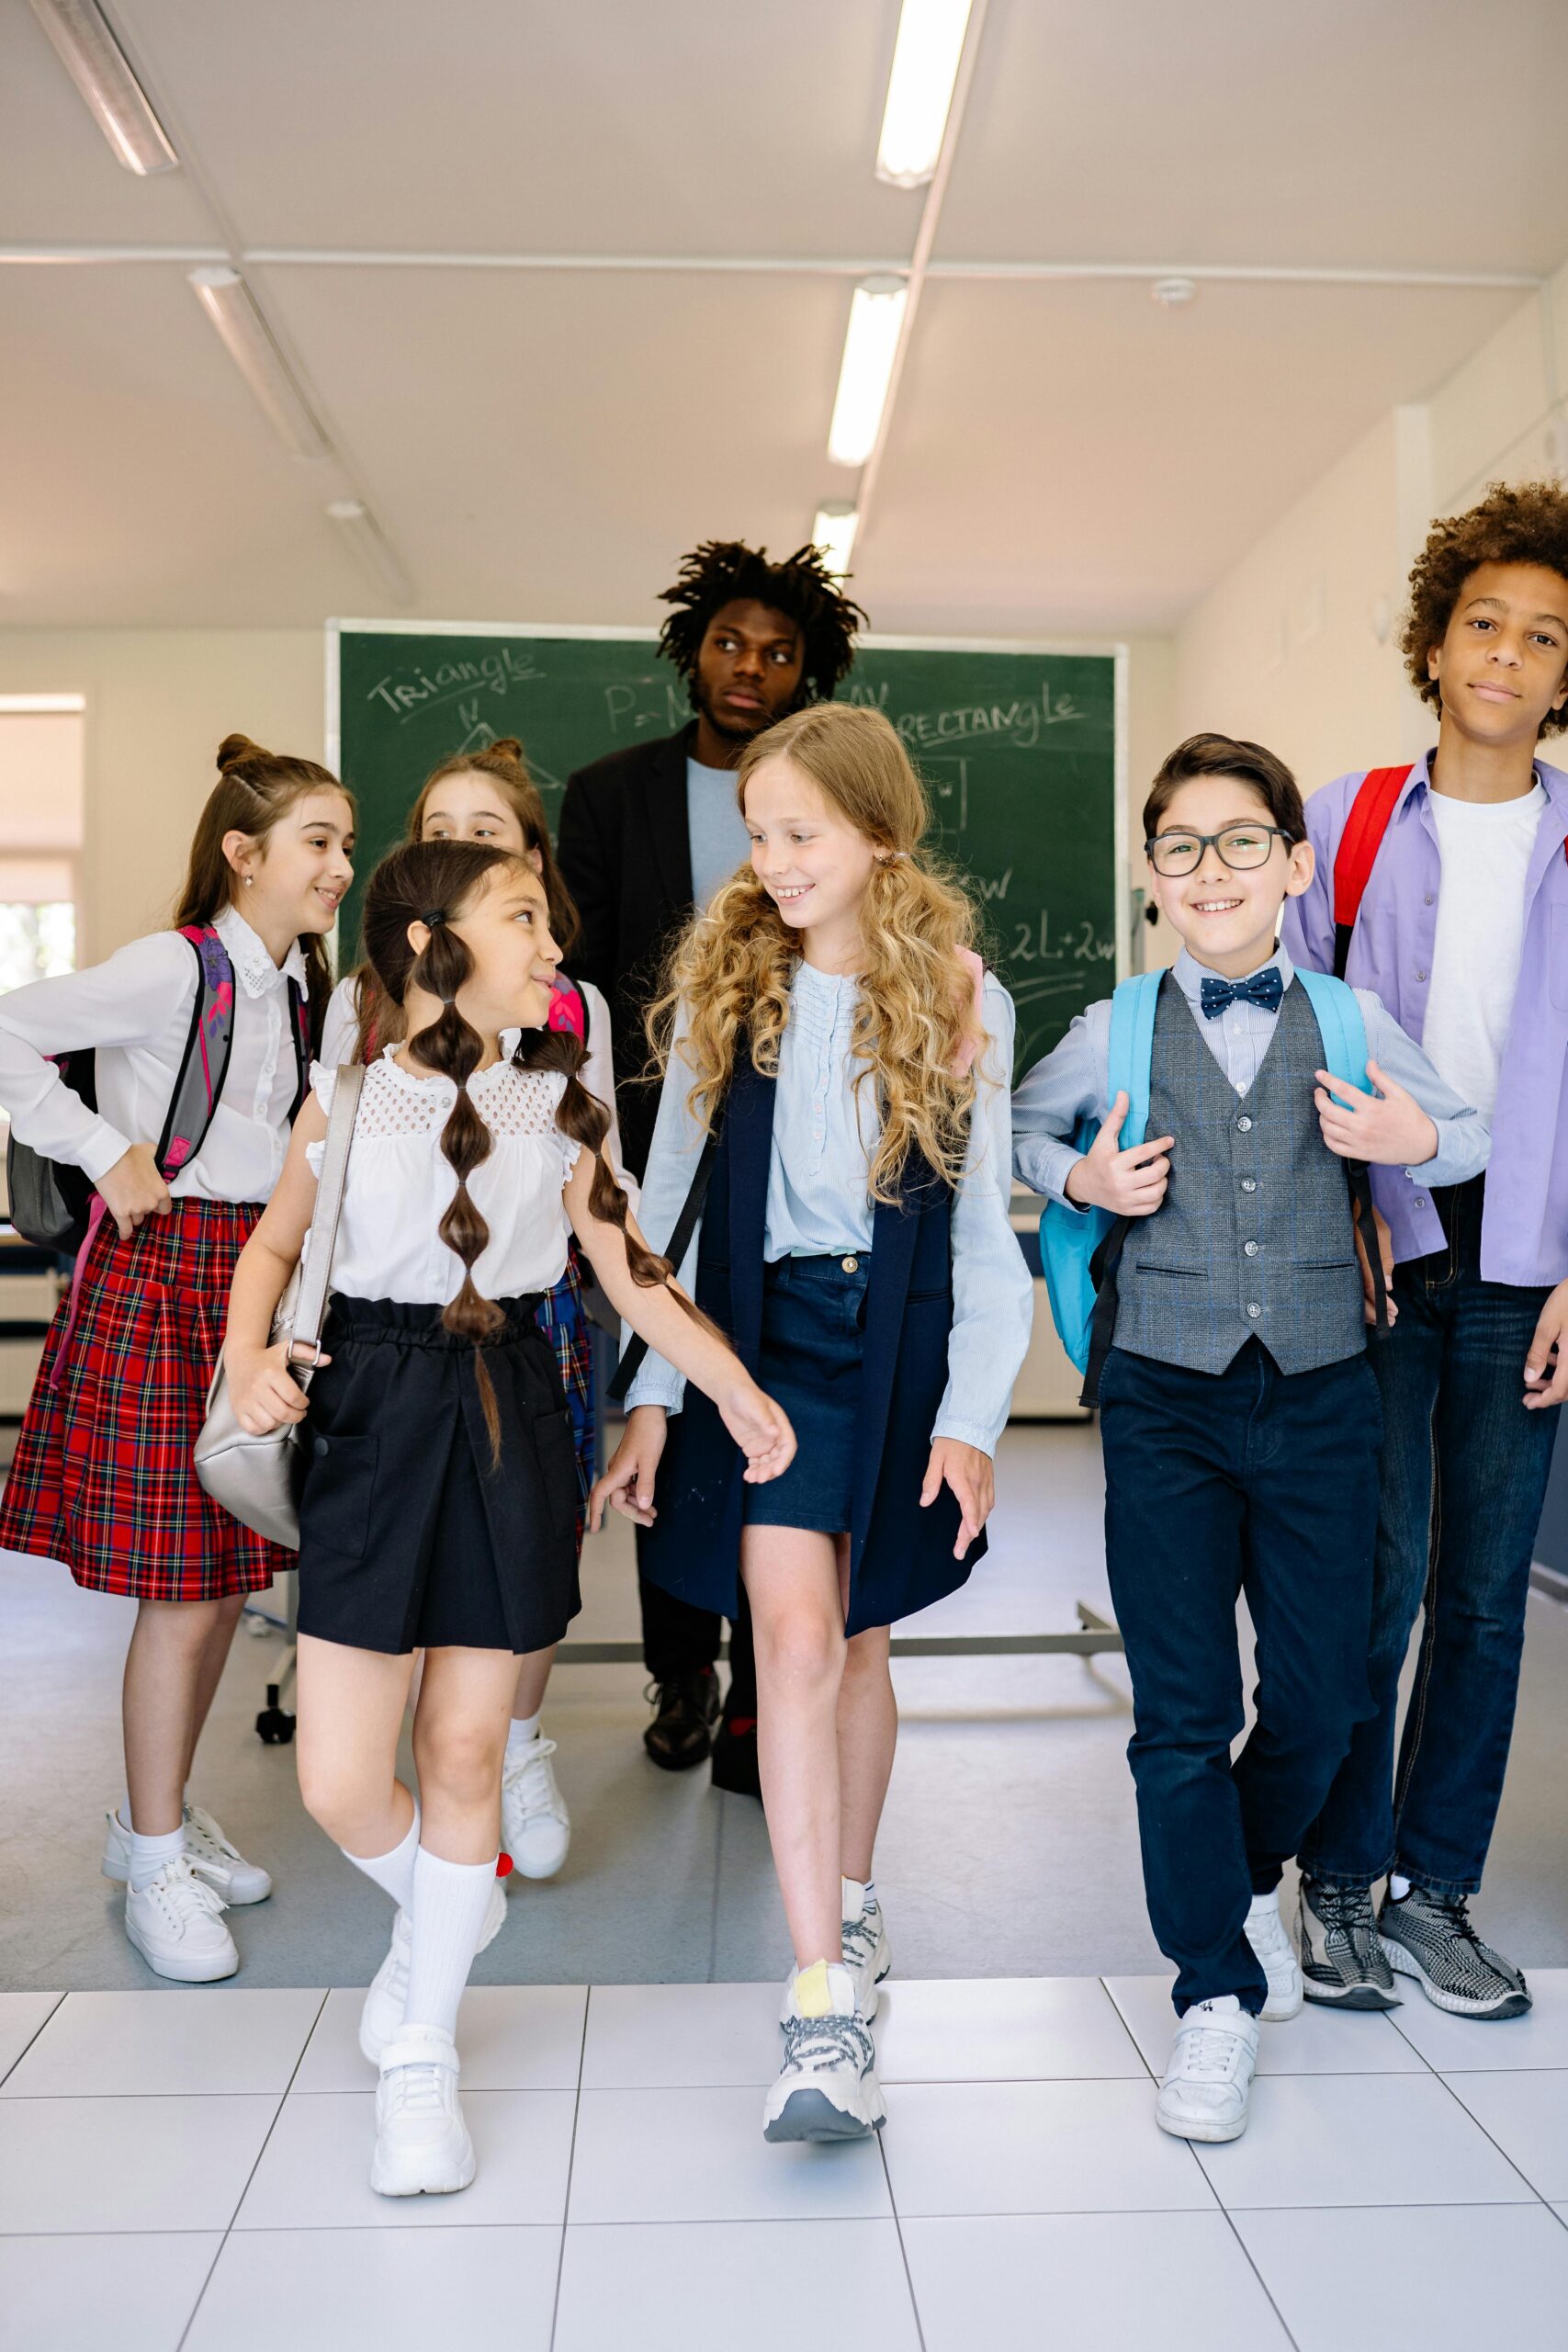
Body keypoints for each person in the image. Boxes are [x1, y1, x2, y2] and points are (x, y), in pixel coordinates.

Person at [221, 837, 794, 2197]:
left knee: (466, 1743)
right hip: (366, 1418)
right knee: (340, 1781)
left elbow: (638, 1277)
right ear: (432, 940)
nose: (554, 949)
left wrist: (736, 1393)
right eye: (523, 919)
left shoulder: (563, 1105)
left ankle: (421, 2053)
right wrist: (248, 1353)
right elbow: (272, 1248)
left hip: (506, 1419)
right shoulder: (345, 1099)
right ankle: (451, 1908)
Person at [1014, 731, 1487, 2144]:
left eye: (1238, 843)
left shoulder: (1341, 1019)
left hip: (1326, 1386)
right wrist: (1078, 1177)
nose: (1207, 870)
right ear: (1148, 876)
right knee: (1179, 1712)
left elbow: (1455, 1135)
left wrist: (1409, 1140)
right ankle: (1209, 1994)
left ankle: (1231, 1868)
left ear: (1291, 864)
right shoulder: (1110, 1025)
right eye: (1177, 847)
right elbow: (1010, 1140)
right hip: (1161, 1393)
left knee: (1329, 1695)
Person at [593, 702, 1032, 2143]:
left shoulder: (963, 997)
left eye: (800, 833)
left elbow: (979, 1235)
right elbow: (655, 1214)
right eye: (756, 833)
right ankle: (818, 2007)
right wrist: (656, 1390)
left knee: (854, 1645)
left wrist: (971, 1416)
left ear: (878, 837)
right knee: (783, 1642)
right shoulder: (732, 985)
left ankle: (846, 1902)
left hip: (893, 1358)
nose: (770, 859)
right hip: (756, 1352)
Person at [0, 736, 355, 1981]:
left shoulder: (307, 986)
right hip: (169, 1280)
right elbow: (6, 1025)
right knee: (184, 1583)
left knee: (220, 1576)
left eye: (347, 845)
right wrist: (101, 1149)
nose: (340, 867)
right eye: (319, 842)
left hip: (256, 1278)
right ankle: (153, 1848)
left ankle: (153, 1819)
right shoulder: (174, 967)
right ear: (240, 854)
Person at [1284, 482, 1568, 2021]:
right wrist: (1333, 1232)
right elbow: (1288, 1040)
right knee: (1372, 1581)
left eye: (1542, 639)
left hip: (1528, 1256)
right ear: (1436, 638)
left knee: (1482, 1595)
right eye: (1483, 624)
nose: (1507, 658)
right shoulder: (1344, 821)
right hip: (1377, 1249)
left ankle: (1432, 1894)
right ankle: (1334, 1879)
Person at [558, 539, 867, 1784]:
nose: (749, 666)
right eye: (729, 642)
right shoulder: (610, 791)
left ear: (811, 670)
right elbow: (574, 971)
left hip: (780, 1148)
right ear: (692, 651)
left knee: (761, 1412)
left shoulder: (822, 801)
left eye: (777, 649)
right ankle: (680, 1675)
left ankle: (756, 1692)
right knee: (664, 1398)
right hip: (644, 1141)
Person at [323, 738, 634, 1882]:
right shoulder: (368, 1009)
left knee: (521, 1541)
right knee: (414, 1560)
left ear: (533, 863)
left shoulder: (566, 1008)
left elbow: (596, 1186)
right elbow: (328, 1181)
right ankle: (441, 1780)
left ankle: (509, 1742)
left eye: (486, 830)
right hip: (393, 1325)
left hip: (530, 1298)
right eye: (438, 826)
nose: (460, 837)